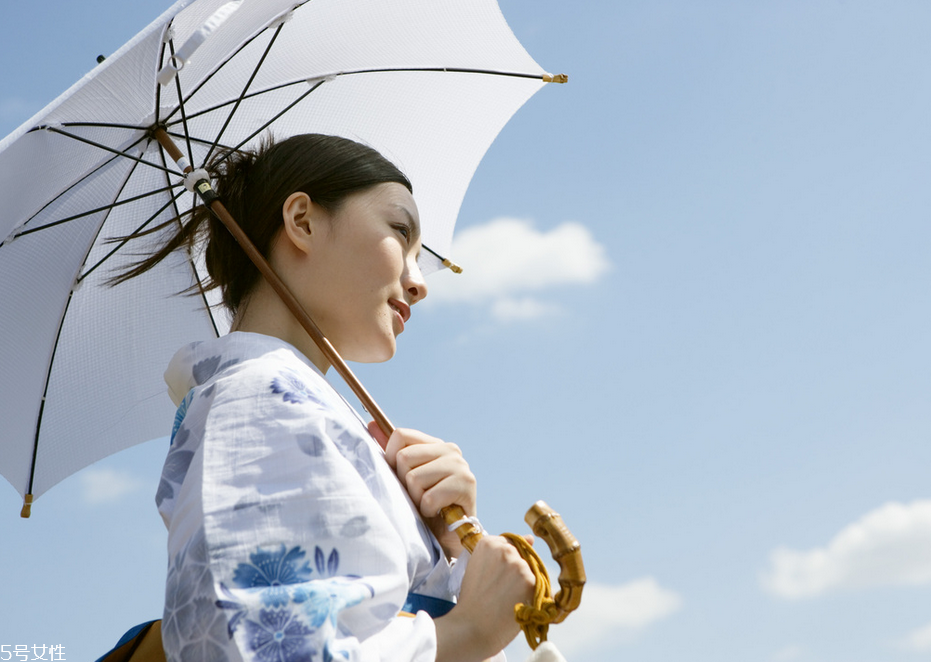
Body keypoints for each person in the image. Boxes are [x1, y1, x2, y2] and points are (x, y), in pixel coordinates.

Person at [117, 134, 536, 662]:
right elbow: (247, 647)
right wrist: (466, 633)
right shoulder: (255, 399)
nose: (418, 281)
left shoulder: (279, 404)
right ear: (303, 222)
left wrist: (449, 543)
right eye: (400, 231)